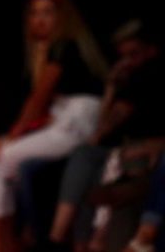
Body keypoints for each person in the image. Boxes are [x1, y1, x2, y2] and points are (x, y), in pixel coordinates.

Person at [0, 0, 108, 252]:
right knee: (0, 163)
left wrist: (11, 137)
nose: (40, 19)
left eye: (48, 13)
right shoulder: (49, 51)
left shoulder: (63, 46)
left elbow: (38, 99)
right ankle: (5, 242)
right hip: (67, 122)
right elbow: (46, 110)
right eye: (35, 13)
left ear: (62, 17)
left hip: (76, 124)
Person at [49, 18, 163, 251]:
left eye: (134, 54)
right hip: (122, 147)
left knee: (113, 167)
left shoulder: (151, 74)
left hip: (148, 151)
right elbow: (101, 129)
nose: (128, 61)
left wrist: (156, 144)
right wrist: (111, 87)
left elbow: (116, 119)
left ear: (151, 50)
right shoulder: (129, 80)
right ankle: (59, 238)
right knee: (84, 155)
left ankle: (103, 239)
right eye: (124, 56)